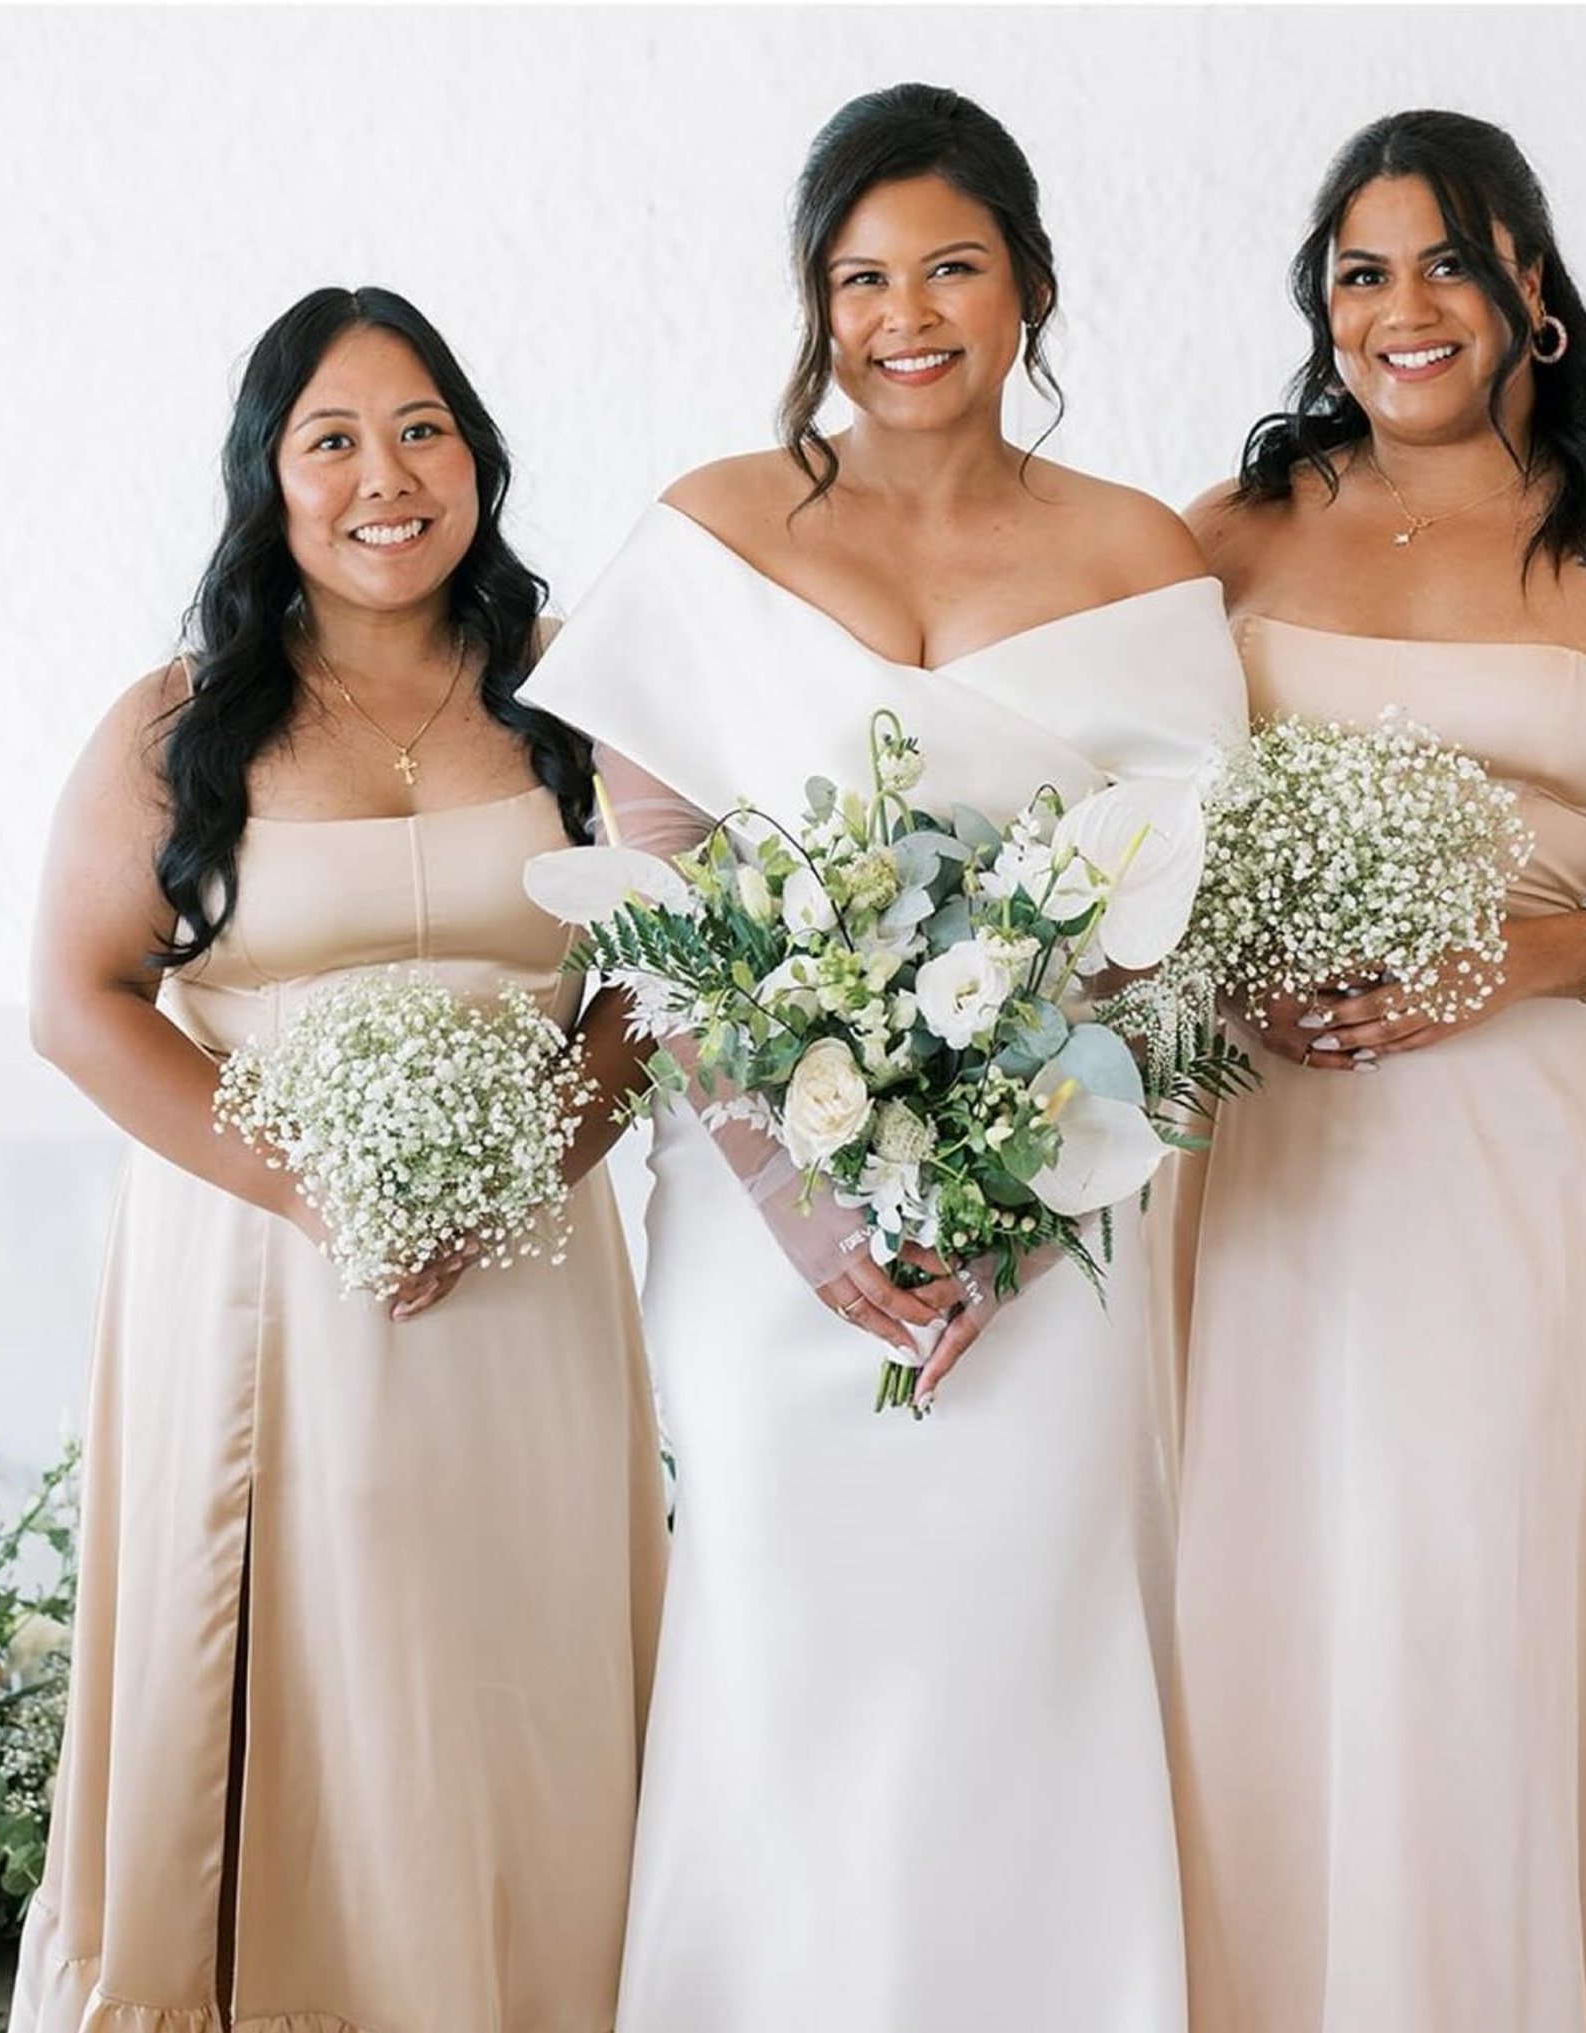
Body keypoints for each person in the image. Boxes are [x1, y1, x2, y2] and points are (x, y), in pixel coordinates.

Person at [519, 83, 1245, 2033]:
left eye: (951, 265)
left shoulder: (1135, 551)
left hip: (1059, 1217)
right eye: (859, 275)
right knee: (789, 1635)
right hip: (766, 1224)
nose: (904, 313)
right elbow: (651, 891)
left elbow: (1157, 914)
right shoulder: (709, 529)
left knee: (1029, 1632)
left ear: (1027, 286)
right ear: (809, 299)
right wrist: (782, 1187)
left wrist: (1025, 1196)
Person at [1169, 109, 1586, 2033]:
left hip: (1496, 1148)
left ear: (1533, 284)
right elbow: (1092, 808)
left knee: (1458, 1592)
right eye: (1358, 273)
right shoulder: (1233, 529)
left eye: (1447, 259)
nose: (1404, 308)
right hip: (1259, 1138)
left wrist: (1531, 956)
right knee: (1253, 1593)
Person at [12, 286, 666, 2032]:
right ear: (270, 482)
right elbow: (80, 1003)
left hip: (525, 1291)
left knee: (513, 1678)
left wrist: (526, 1160)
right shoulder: (180, 723)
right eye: (333, 438)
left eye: (423, 429)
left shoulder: (574, 696)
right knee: (294, 1698)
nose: (387, 475)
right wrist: (320, 1188)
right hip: (265, 1289)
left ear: (477, 459)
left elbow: (661, 979)